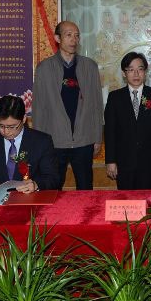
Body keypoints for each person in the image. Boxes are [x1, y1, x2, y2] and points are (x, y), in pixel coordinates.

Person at [32, 21, 103, 190]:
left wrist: (97, 137)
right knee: (52, 188)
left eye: (77, 36)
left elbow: (97, 105)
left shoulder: (90, 66)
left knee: (85, 188)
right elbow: (39, 109)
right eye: (69, 35)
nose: (74, 39)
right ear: (58, 38)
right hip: (55, 140)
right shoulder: (44, 68)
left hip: (84, 139)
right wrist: (40, 143)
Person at [0, 95, 59, 193]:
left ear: (24, 119)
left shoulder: (41, 141)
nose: (6, 131)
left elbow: (53, 178)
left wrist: (35, 185)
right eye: (1, 126)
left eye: (12, 127)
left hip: (29, 198)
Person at [104, 52, 151, 189]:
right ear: (124, 73)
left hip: (149, 162)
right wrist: (110, 161)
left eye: (140, 69)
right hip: (123, 162)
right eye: (131, 70)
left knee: (146, 199)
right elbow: (110, 132)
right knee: (125, 199)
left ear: (145, 72)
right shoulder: (115, 98)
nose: (136, 74)